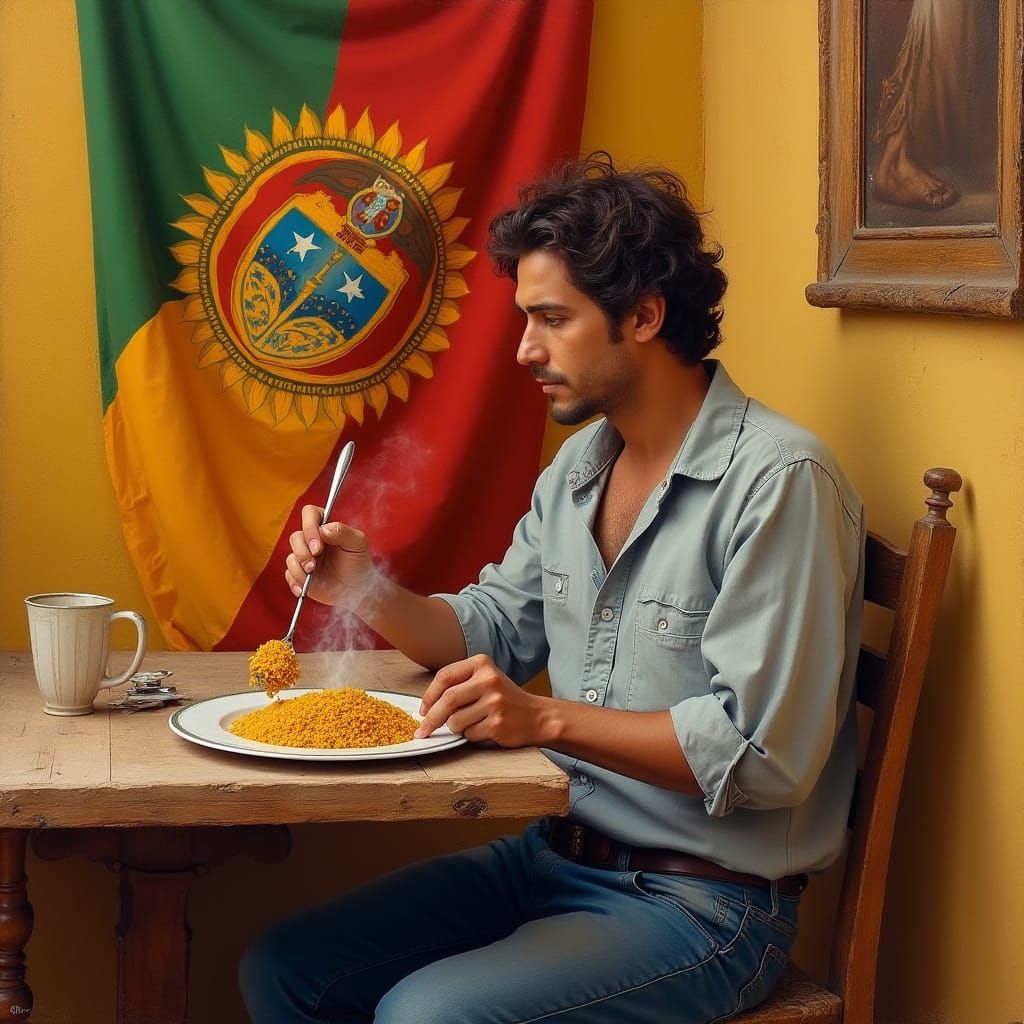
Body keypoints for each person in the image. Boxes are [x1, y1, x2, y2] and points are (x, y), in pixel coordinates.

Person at [239, 153, 865, 1024]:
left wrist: (543, 720)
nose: (525, 349)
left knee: (427, 1018)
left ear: (643, 315)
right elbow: (490, 629)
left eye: (553, 319)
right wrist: (367, 591)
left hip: (704, 905)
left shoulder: (780, 482)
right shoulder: (580, 467)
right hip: (552, 858)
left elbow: (763, 756)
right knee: (284, 968)